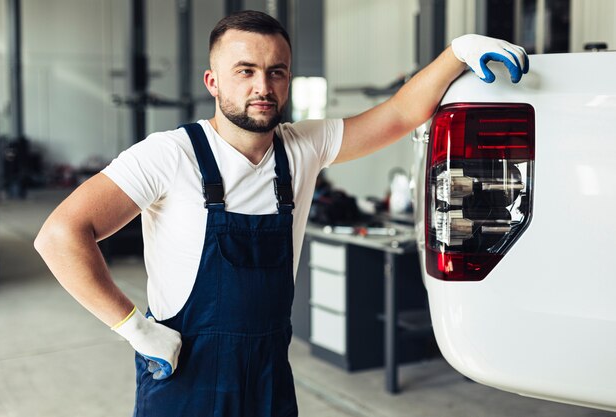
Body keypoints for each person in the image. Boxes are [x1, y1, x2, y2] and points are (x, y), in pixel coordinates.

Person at [34, 10, 529, 417]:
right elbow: (60, 235)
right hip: (186, 375)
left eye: (276, 71)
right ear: (213, 81)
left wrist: (455, 53)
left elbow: (399, 114)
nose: (262, 87)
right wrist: (135, 329)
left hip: (270, 376)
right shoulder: (169, 155)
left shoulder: (302, 149)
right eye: (245, 71)